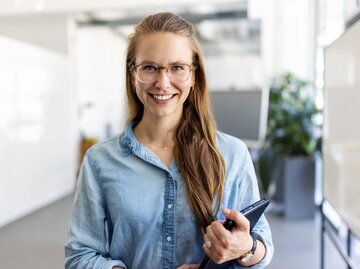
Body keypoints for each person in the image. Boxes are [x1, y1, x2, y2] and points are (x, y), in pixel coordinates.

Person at [65, 12, 273, 269]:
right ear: (133, 75)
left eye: (177, 68)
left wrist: (246, 248)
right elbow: (80, 256)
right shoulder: (100, 162)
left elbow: (262, 245)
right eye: (150, 67)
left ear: (193, 75)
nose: (163, 83)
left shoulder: (231, 153)